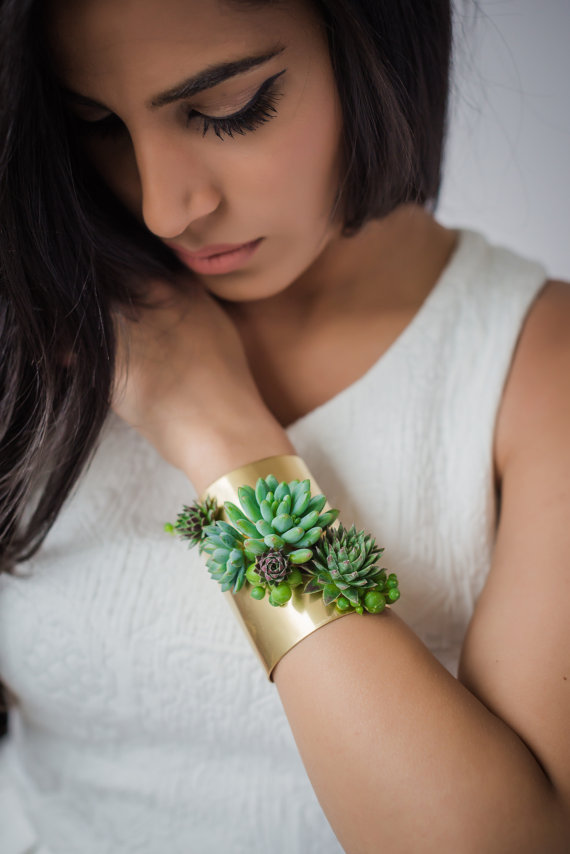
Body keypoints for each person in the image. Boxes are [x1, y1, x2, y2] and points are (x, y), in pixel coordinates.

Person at [0, 0, 568, 851]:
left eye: (229, 110)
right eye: (99, 124)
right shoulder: (38, 311)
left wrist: (217, 434)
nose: (165, 208)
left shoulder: (539, 366)